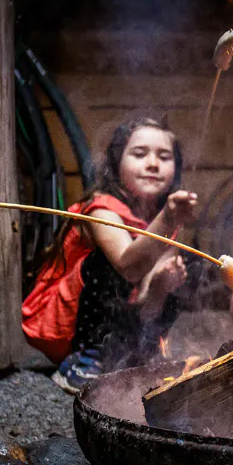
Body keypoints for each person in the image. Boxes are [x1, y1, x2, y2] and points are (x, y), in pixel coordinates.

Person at [22, 114, 199, 393]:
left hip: (121, 322)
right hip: (65, 326)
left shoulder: (165, 220)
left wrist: (161, 284)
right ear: (117, 164)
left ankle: (137, 355)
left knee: (185, 267)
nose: (153, 163)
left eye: (164, 157)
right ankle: (85, 360)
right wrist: (167, 218)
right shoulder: (101, 209)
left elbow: (145, 301)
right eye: (139, 154)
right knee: (108, 263)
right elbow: (128, 267)